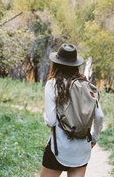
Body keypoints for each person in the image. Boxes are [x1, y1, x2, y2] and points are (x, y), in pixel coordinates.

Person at [40, 43, 104, 177]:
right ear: (76, 64)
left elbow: (51, 121)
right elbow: (99, 116)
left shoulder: (53, 85)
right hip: (82, 149)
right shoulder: (87, 85)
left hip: (59, 148)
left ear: (56, 63)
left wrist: (44, 116)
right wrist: (94, 138)